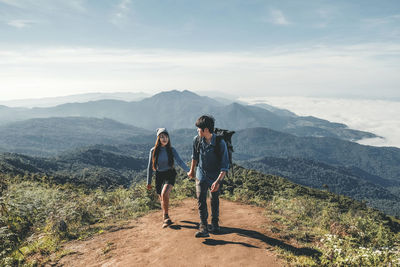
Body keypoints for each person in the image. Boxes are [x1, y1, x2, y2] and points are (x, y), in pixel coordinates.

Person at [187, 115, 229, 237]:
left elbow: (224, 166)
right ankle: (203, 227)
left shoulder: (220, 143)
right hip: (201, 174)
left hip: (215, 176)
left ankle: (215, 224)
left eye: (198, 129)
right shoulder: (197, 140)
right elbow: (194, 157)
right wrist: (192, 171)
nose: (197, 131)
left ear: (205, 130)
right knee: (201, 200)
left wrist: (218, 182)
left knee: (214, 200)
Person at [147, 128, 190, 228]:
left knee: (165, 193)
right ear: (158, 138)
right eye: (162, 137)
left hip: (170, 174)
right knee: (162, 198)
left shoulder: (172, 150)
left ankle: (166, 217)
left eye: (166, 136)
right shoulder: (153, 151)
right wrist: (148, 182)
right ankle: (165, 216)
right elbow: (149, 167)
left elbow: (180, 161)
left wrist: (189, 171)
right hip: (159, 176)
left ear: (168, 138)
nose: (164, 139)